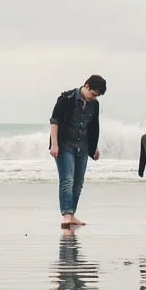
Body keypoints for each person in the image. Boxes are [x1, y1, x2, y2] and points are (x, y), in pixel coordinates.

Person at [48, 75, 105, 228]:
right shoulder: (66, 98)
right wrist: (54, 144)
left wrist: (94, 147)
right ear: (86, 86)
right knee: (67, 180)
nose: (94, 98)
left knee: (78, 183)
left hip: (83, 147)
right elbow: (54, 121)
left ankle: (72, 215)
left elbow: (93, 126)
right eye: (93, 94)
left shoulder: (94, 105)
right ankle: (66, 215)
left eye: (97, 96)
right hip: (64, 145)